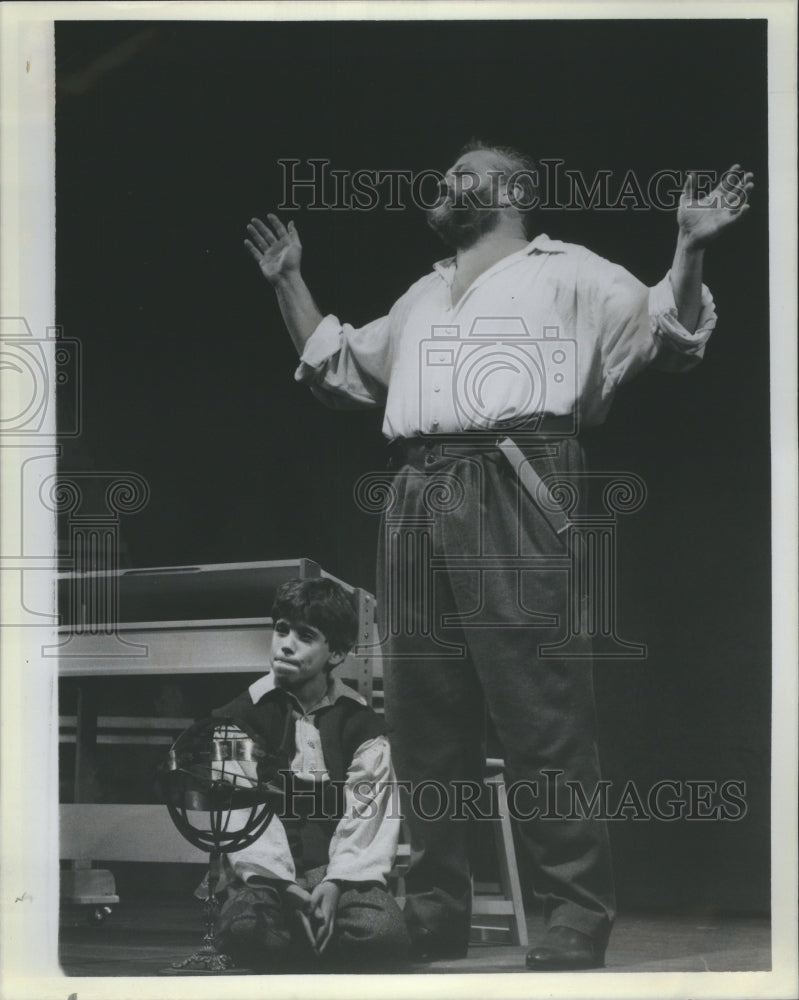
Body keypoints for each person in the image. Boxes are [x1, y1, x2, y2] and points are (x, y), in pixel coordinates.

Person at [243, 142, 754, 970]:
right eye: (442, 173)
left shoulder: (571, 271)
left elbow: (669, 329)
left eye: (463, 173)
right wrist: (287, 281)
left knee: (539, 709)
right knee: (421, 717)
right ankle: (436, 908)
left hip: (517, 477)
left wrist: (689, 247)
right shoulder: (424, 291)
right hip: (414, 488)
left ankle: (574, 914)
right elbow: (340, 367)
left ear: (514, 190)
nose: (443, 183)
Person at [208, 577, 410, 971]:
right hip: (267, 880)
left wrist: (336, 883)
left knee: (383, 934)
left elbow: (368, 815)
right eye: (281, 630)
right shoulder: (238, 719)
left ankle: (307, 935)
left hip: (340, 879)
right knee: (244, 930)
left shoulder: (361, 725)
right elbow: (242, 809)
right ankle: (304, 936)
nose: (285, 643)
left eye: (305, 636)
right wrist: (283, 885)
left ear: (335, 652)